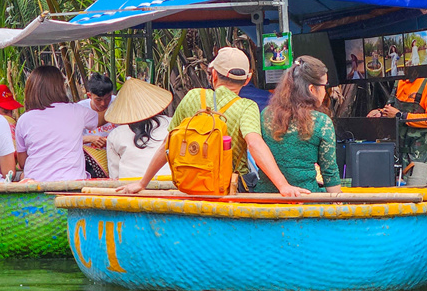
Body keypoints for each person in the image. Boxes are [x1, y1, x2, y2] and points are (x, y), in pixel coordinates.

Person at [117, 47, 306, 197]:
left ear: (213, 75)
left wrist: (142, 183)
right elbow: (254, 143)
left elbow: (168, 144)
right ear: (247, 79)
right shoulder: (246, 107)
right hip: (228, 191)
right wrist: (283, 185)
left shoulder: (192, 97)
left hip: (191, 188)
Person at [257, 56, 342, 194]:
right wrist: (340, 205)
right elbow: (329, 173)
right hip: (306, 200)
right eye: (324, 86)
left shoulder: (266, 115)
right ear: (311, 89)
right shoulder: (322, 122)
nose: (325, 92)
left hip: (266, 199)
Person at [15, 65, 105, 181]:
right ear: (60, 87)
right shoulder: (76, 111)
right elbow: (101, 119)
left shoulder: (24, 120)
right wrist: (120, 103)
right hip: (72, 184)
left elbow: (22, 162)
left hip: (36, 184)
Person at [368, 75, 427, 184]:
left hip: (417, 155)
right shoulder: (400, 80)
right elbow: (391, 109)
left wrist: (401, 116)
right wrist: (379, 112)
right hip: (396, 151)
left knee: (415, 188)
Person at [105, 77, 173, 180]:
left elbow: (115, 176)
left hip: (131, 188)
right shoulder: (172, 124)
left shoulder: (115, 134)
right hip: (170, 182)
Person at [78, 72, 116, 177]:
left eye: (107, 98)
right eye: (98, 100)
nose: (103, 104)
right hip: (90, 160)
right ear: (89, 96)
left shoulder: (118, 103)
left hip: (116, 154)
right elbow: (68, 139)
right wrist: (90, 139)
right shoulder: (79, 109)